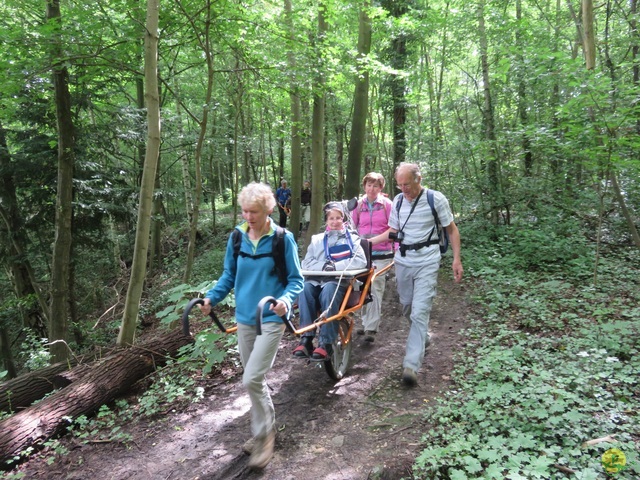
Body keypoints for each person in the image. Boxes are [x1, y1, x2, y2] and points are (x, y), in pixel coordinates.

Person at [199, 182, 304, 469]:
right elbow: (227, 277)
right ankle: (264, 427)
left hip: (271, 317)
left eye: (254, 212)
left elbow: (297, 280)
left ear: (269, 209)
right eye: (244, 211)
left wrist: (285, 300)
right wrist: (211, 298)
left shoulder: (283, 239)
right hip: (244, 317)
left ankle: (264, 435)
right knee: (253, 379)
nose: (249, 217)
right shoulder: (236, 237)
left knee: (252, 378)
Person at [369, 163, 463, 387]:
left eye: (407, 184)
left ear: (418, 180)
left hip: (428, 261)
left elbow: (451, 229)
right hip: (403, 261)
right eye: (400, 185)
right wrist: (367, 242)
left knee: (420, 312)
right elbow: (393, 232)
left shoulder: (435, 199)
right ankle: (424, 338)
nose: (404, 189)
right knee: (407, 306)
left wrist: (456, 259)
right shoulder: (399, 201)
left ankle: (411, 365)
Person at [292, 202, 368, 360]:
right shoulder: (317, 240)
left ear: (344, 219)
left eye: (338, 218)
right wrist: (323, 266)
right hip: (315, 281)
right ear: (326, 220)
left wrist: (335, 266)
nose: (335, 221)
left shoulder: (353, 239)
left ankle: (326, 343)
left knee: (329, 289)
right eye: (331, 218)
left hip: (339, 282)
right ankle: (306, 339)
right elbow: (306, 263)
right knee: (305, 289)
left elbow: (360, 261)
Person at [349, 172, 394, 343]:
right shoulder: (358, 205)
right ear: (364, 186)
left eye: (376, 186)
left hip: (382, 253)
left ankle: (371, 328)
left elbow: (394, 229)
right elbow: (352, 227)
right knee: (362, 288)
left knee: (376, 287)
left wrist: (395, 249)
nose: (372, 189)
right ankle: (364, 321)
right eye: (369, 185)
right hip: (361, 254)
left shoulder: (387, 205)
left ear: (381, 188)